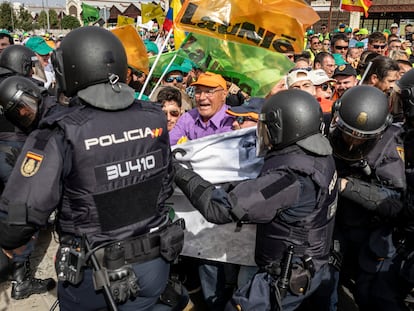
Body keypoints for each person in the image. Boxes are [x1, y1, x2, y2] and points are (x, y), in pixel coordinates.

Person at [0, 26, 183, 311]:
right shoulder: (153, 117)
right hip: (154, 266)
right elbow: (165, 181)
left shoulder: (61, 130)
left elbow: (19, 216)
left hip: (94, 276)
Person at [174, 89, 338, 310]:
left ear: (282, 128)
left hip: (287, 275)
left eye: (267, 127)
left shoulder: (291, 177)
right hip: (314, 262)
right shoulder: (321, 156)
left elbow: (220, 209)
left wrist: (178, 171)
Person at [327, 85, 406, 310]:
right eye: (348, 133)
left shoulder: (389, 145)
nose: (353, 142)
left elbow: (394, 202)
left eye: (361, 138)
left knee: (367, 292)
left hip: (369, 231)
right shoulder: (328, 128)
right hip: (334, 226)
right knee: (327, 286)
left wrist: (347, 186)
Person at [169, 71, 234, 145]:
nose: (202, 97)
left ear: (224, 95)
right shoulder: (188, 118)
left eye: (209, 92)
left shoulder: (232, 120)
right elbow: (169, 144)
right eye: (198, 92)